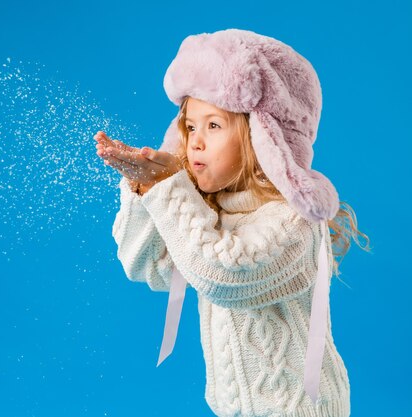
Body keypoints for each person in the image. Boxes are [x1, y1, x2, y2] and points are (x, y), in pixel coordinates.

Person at [94, 29, 370, 417]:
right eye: (190, 127)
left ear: (262, 137)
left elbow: (224, 274)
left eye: (214, 126)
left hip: (300, 409)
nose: (195, 143)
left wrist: (169, 190)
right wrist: (146, 189)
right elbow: (147, 267)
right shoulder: (207, 211)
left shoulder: (293, 219)